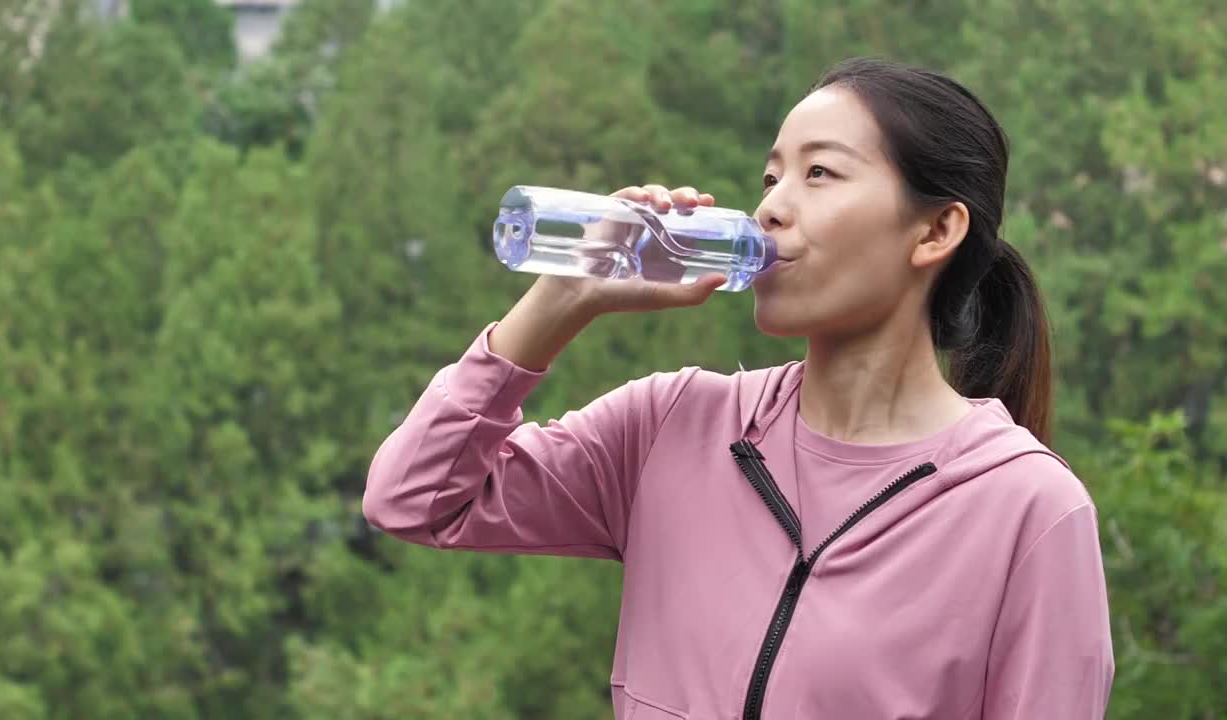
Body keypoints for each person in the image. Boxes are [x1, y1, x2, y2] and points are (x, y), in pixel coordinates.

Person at [364, 57, 1114, 719]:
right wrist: (558, 304)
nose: (770, 206)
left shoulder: (1025, 511)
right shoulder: (671, 426)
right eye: (770, 176)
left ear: (934, 232)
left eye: (818, 173)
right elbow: (414, 498)